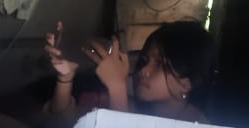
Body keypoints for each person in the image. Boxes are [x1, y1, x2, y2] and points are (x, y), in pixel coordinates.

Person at [45, 19, 215, 122]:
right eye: (145, 60)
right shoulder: (134, 107)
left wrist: (117, 88)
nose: (143, 70)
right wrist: (65, 77)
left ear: (187, 83)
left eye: (160, 64)